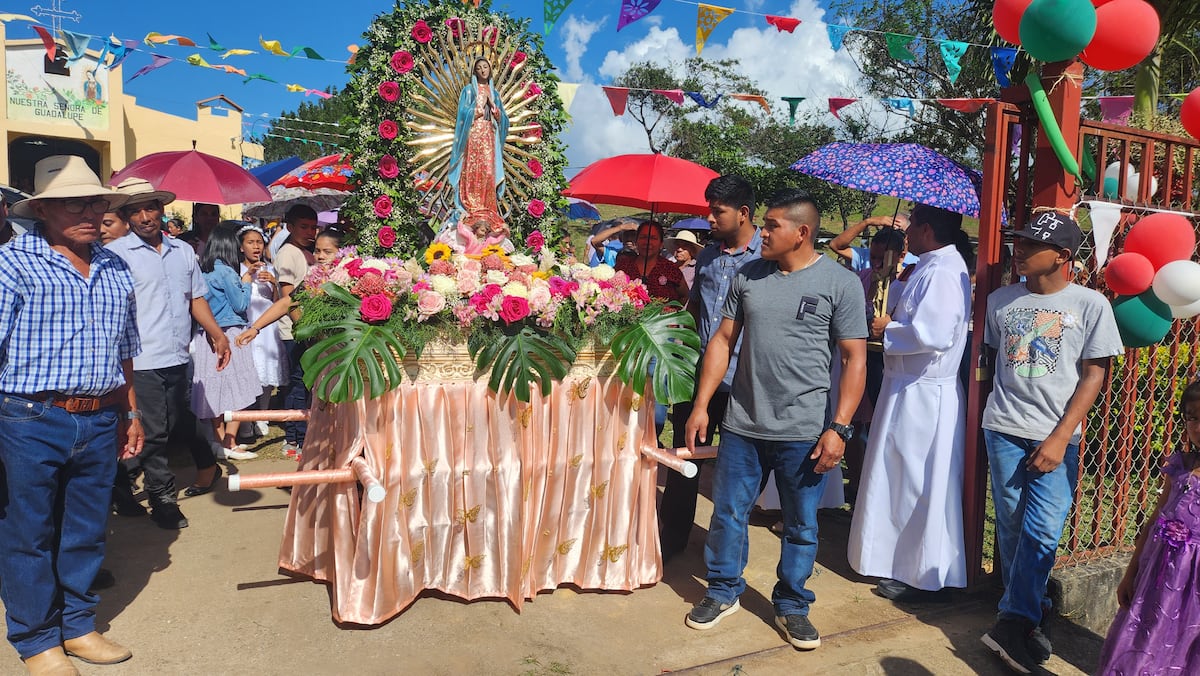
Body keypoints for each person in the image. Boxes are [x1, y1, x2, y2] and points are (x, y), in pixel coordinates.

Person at [682, 188, 867, 651]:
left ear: (802, 232)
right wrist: (703, 403)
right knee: (727, 513)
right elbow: (723, 341)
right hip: (743, 424)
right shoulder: (749, 275)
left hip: (804, 430)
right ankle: (723, 591)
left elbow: (854, 359)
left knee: (801, 524)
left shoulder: (840, 283)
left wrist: (839, 427)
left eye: (771, 226)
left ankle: (791, 605)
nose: (762, 233)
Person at [0, 155, 141, 674]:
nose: (89, 211)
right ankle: (38, 640)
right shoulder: (12, 264)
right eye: (72, 201)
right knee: (27, 532)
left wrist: (131, 412)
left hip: (101, 416)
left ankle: (78, 626)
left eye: (95, 201)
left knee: (85, 528)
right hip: (30, 417)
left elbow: (126, 345)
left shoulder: (115, 266)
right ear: (43, 210)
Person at [978, 211, 1123, 673]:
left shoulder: (1090, 304)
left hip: (1057, 436)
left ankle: (1010, 622)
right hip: (1003, 428)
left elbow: (1095, 374)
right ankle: (1030, 616)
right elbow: (992, 363)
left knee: (1042, 530)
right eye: (1016, 241)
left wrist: (1060, 436)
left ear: (1061, 256)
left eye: (1028, 244)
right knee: (1013, 528)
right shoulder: (1001, 300)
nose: (1017, 249)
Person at [846, 204, 974, 601]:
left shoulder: (943, 271)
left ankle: (920, 571)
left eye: (912, 226)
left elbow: (933, 334)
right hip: (908, 387)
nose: (907, 232)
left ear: (927, 230)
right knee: (899, 476)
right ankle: (895, 558)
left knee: (919, 481)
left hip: (925, 391)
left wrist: (888, 328)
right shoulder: (932, 266)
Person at [107, 178, 231, 530]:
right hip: (139, 358)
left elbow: (195, 298)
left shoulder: (183, 252)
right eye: (136, 210)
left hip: (177, 355)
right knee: (153, 431)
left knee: (177, 423)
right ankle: (162, 498)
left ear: (162, 210)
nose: (145, 216)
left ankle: (120, 482)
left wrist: (216, 332)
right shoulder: (117, 255)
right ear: (127, 216)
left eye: (150, 208)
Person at [661, 176, 761, 562]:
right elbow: (696, 309)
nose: (710, 219)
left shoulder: (764, 261)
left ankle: (723, 553)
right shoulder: (708, 255)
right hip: (696, 374)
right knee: (685, 455)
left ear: (744, 213)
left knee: (733, 470)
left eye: (717, 211)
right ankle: (672, 540)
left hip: (740, 380)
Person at [1096, 379, 1200, 673]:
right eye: (1192, 417)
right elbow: (1155, 519)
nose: (1197, 426)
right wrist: (1130, 574)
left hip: (1194, 589)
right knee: (1145, 638)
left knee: (1184, 647)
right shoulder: (1180, 464)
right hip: (1156, 577)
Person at [191, 222, 262, 465]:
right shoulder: (226, 272)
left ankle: (220, 441)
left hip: (206, 335)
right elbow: (241, 304)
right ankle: (230, 441)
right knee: (240, 387)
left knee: (214, 390)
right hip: (231, 333)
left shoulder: (201, 271)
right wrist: (247, 281)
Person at [274, 206, 319, 458]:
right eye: (303, 226)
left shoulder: (307, 252)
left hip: (309, 329)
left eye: (313, 227)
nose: (310, 232)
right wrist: (302, 328)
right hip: (296, 331)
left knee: (306, 382)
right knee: (298, 383)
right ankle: (294, 438)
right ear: (289, 227)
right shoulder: (288, 253)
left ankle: (304, 434)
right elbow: (287, 297)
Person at [447, 57, 508, 231]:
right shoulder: (468, 91)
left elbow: (504, 119)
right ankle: (471, 207)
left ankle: (488, 208)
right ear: (475, 72)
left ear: (490, 70)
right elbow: (462, 114)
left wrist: (494, 108)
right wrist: (479, 108)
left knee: (489, 172)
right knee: (473, 169)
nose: (483, 70)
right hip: (473, 136)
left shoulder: (495, 94)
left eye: (485, 67)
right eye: (479, 68)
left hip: (489, 137)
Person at [236, 224, 285, 440]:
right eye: (250, 242)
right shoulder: (236, 270)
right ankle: (246, 422)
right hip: (247, 323)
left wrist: (274, 283)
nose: (256, 247)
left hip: (266, 327)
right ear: (241, 247)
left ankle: (262, 416)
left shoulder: (271, 269)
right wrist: (246, 276)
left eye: (259, 242)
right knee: (248, 373)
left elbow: (279, 303)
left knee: (266, 373)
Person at [613, 220, 688, 305]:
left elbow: (685, 295)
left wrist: (673, 313)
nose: (647, 242)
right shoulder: (623, 266)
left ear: (661, 244)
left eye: (653, 238)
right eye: (643, 237)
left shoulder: (670, 269)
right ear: (636, 241)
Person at [828, 213, 917, 272]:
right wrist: (867, 222)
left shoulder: (915, 262)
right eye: (887, 228)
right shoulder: (865, 255)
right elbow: (835, 246)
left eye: (899, 231)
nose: (877, 264)